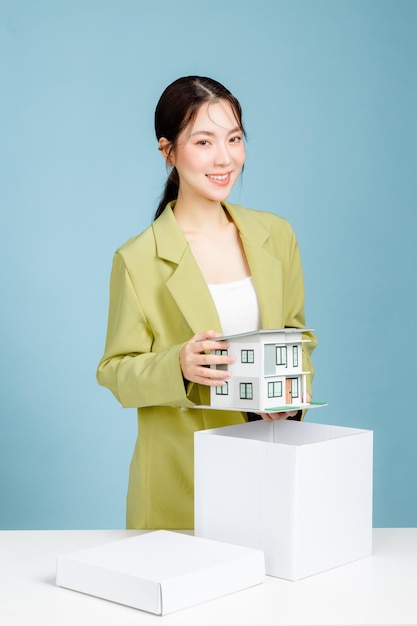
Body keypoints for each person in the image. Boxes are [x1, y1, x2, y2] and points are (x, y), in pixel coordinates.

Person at [97, 76, 317, 530]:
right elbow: (115, 370)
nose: (224, 158)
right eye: (203, 141)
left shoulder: (276, 235)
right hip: (180, 479)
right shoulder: (137, 259)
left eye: (234, 138)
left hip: (266, 468)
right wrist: (176, 364)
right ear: (168, 152)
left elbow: (296, 335)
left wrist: (291, 395)